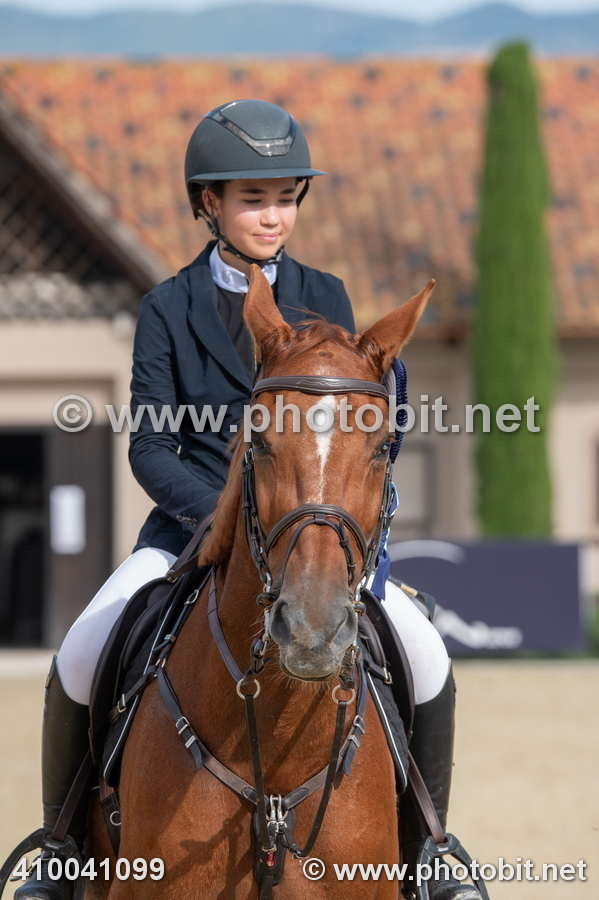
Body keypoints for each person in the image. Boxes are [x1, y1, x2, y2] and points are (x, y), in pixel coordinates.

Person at [15, 99, 480, 900]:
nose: (272, 216)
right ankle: (63, 851)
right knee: (83, 651)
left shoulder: (325, 293)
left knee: (424, 653)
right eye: (252, 199)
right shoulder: (167, 307)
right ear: (209, 204)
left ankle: (426, 851)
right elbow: (150, 447)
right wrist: (223, 518)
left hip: (313, 532)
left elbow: (351, 423)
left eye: (285, 199)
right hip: (190, 530)